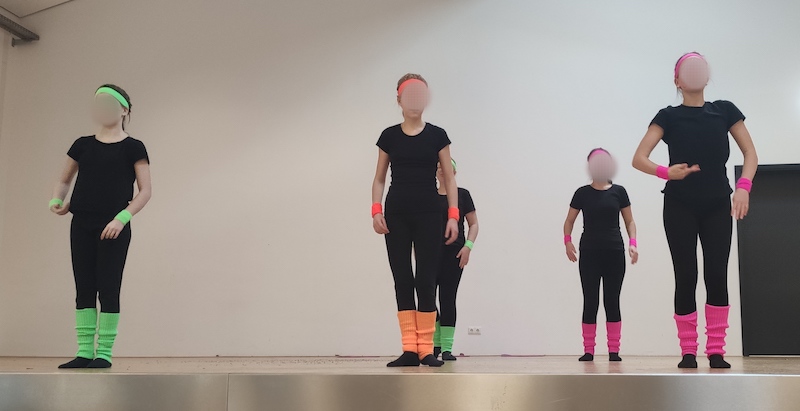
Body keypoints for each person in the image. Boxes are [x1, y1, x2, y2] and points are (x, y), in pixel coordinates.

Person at [632, 52, 758, 369]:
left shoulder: (725, 111)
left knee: (716, 274)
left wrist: (743, 187)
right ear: (677, 80)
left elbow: (750, 153)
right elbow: (639, 158)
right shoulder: (668, 116)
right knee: (686, 274)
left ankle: (716, 350)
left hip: (717, 204)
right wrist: (666, 172)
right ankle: (688, 350)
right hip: (679, 206)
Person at [49, 84, 152, 369]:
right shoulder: (82, 145)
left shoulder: (133, 147)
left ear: (124, 110)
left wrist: (122, 218)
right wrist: (57, 199)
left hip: (113, 227)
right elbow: (64, 179)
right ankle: (84, 351)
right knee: (84, 286)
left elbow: (145, 191)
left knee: (108, 286)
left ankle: (104, 352)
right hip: (81, 223)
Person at [371, 74, 459, 367]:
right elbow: (379, 178)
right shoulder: (389, 136)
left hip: (430, 214)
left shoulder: (438, 135)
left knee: (426, 278)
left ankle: (426, 349)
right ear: (399, 100)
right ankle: (409, 349)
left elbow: (449, 178)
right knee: (402, 278)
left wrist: (453, 215)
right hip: (396, 213)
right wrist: (376, 210)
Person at [564, 148, 638, 362]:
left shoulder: (619, 192)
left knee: (612, 300)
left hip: (614, 252)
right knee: (590, 300)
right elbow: (569, 221)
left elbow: (630, 221)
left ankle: (614, 350)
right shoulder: (582, 193)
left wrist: (633, 243)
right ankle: (589, 350)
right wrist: (567, 241)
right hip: (589, 253)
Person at [432, 159, 479, 361]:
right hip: (431, 253)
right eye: (439, 167)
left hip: (454, 253)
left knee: (447, 298)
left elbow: (474, 224)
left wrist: (468, 247)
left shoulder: (463, 195)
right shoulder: (429, 195)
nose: (442, 170)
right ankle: (435, 343)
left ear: (454, 172)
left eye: (446, 167)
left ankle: (446, 348)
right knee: (428, 298)